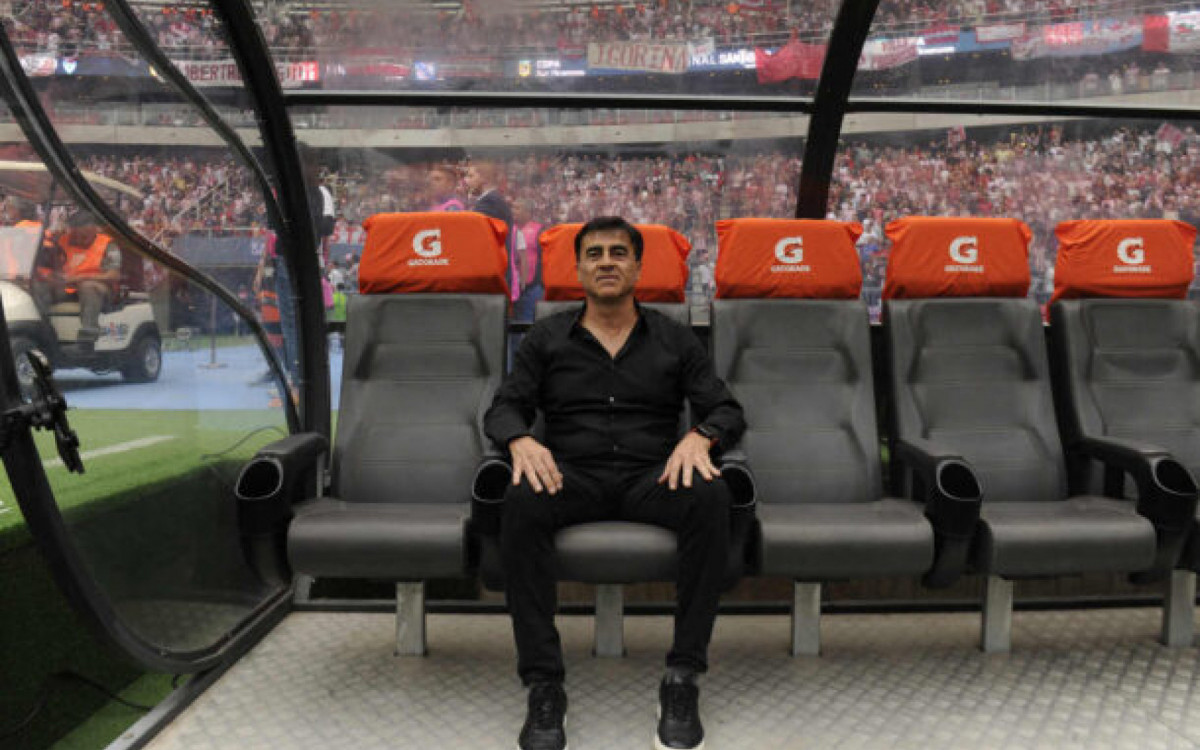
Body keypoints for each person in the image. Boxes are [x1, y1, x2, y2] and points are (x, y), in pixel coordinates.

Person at [484, 216, 745, 750]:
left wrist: (701, 436)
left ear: (638, 267)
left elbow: (725, 407)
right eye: (596, 253)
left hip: (653, 474)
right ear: (578, 268)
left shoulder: (674, 337)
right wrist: (521, 441)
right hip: (571, 473)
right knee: (521, 498)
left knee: (711, 494)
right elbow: (505, 407)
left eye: (619, 253)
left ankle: (682, 676)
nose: (607, 261)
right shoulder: (546, 336)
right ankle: (544, 685)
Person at [32, 211, 121, 347]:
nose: (78, 240)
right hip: (67, 287)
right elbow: (53, 265)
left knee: (88, 286)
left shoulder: (108, 244)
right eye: (75, 235)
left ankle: (88, 335)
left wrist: (81, 277)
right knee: (37, 286)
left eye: (83, 237)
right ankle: (42, 330)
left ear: (94, 230)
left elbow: (114, 275)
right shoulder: (63, 240)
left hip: (99, 288)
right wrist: (52, 277)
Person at [509, 198, 544, 323]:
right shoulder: (510, 230)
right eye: (512, 207)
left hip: (532, 287)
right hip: (514, 287)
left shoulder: (540, 231)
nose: (513, 211)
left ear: (528, 213)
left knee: (527, 323)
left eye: (517, 208)